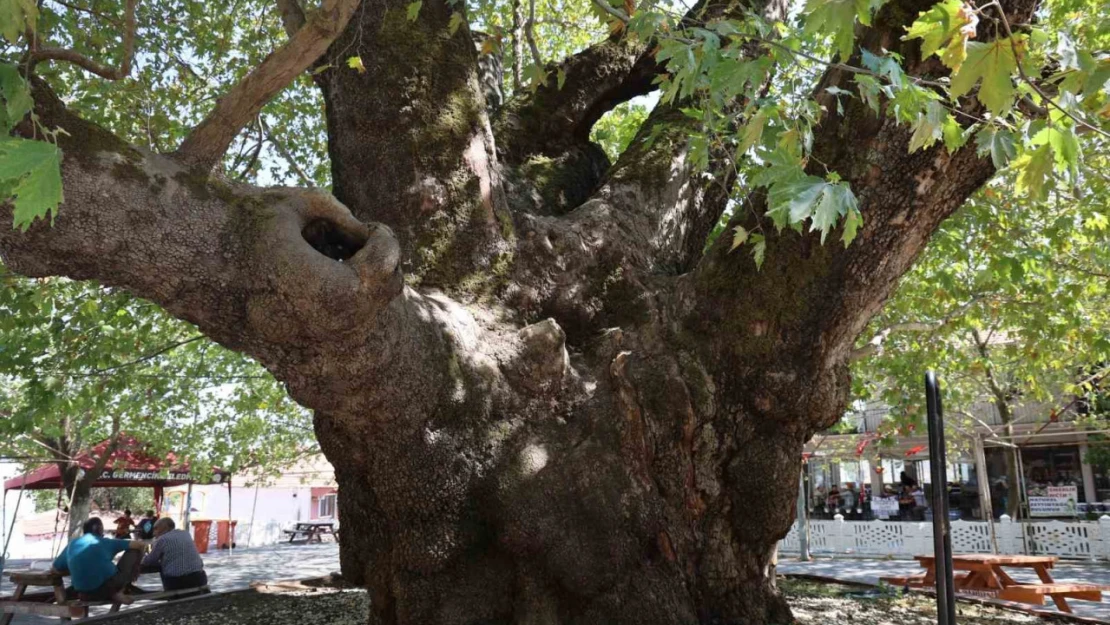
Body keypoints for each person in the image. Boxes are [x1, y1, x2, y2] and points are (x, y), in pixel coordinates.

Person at [50, 517, 148, 605]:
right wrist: (137, 565)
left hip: (83, 593)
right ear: (100, 529)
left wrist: (77, 568)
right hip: (108, 587)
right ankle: (117, 591)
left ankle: (112, 592)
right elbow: (141, 545)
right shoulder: (106, 542)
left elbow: (54, 568)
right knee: (134, 550)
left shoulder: (73, 544)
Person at [141, 518, 208, 591]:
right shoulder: (185, 533)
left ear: (165, 528)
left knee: (164, 568)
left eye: (156, 529)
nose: (154, 533)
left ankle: (171, 596)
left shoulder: (162, 539)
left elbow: (150, 561)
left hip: (177, 583)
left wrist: (140, 557)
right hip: (200, 579)